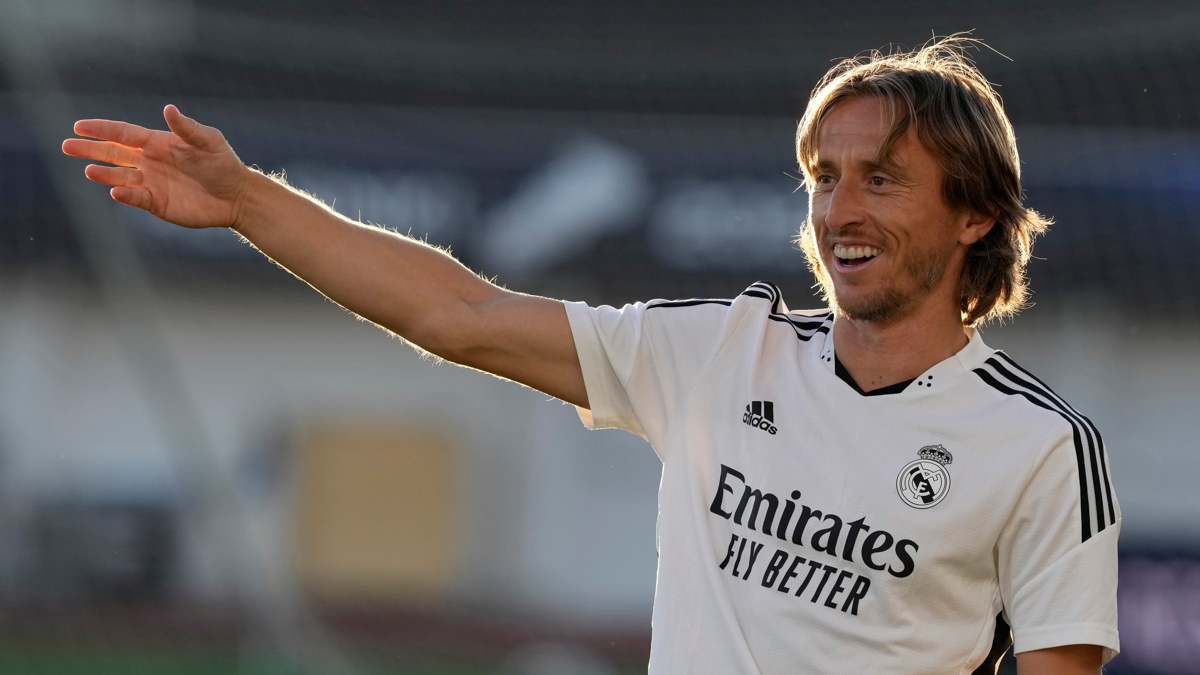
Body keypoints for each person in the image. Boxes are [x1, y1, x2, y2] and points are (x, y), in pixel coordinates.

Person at [62, 38, 1117, 675]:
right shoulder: (721, 351)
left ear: (976, 213)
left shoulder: (1039, 449)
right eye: (823, 177)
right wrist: (246, 201)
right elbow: (459, 313)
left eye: (880, 179)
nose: (839, 209)